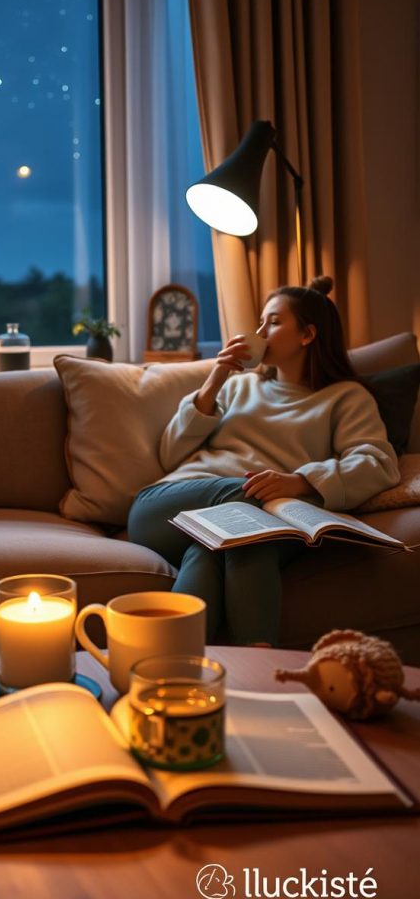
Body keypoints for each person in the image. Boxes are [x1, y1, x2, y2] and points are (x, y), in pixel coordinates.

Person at [127, 277, 400, 647]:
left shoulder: (345, 398)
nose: (259, 332)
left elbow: (377, 463)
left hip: (238, 521)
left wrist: (300, 481)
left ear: (307, 335)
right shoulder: (238, 386)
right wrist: (216, 377)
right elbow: (169, 453)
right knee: (253, 512)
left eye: (272, 322)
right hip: (164, 508)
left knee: (232, 543)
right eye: (260, 322)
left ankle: (176, 665)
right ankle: (260, 663)